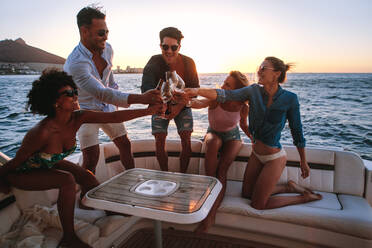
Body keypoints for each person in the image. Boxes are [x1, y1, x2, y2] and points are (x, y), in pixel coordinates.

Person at [0, 69, 162, 248]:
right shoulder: (41, 132)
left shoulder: (78, 118)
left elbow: (114, 116)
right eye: (69, 93)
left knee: (88, 177)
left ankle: (110, 211)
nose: (75, 95)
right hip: (24, 172)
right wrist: (3, 180)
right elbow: (17, 162)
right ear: (55, 102)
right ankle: (69, 237)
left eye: (75, 91)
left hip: (47, 161)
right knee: (67, 180)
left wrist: (148, 112)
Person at [185, 57, 322, 212]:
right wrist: (196, 91)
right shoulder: (253, 91)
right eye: (259, 67)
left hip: (274, 158)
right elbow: (226, 95)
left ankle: (303, 197)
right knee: (247, 194)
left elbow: (297, 131)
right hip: (256, 155)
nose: (259, 71)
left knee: (258, 204)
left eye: (263, 68)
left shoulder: (290, 99)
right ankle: (288, 187)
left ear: (276, 74)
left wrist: (303, 161)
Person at [64, 6, 161, 174]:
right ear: (84, 31)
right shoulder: (76, 63)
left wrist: (117, 102)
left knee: (125, 144)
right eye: (101, 33)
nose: (106, 37)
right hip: (86, 111)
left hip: (108, 106)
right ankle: (85, 194)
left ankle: (132, 179)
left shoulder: (108, 49)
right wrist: (143, 98)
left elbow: (110, 83)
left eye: (107, 32)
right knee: (91, 157)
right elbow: (102, 93)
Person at [189, 71, 250, 232]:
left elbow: (243, 125)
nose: (222, 87)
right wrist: (186, 100)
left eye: (227, 85)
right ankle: (204, 206)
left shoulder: (243, 107)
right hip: (213, 133)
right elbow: (198, 104)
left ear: (237, 91)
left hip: (233, 136)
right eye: (224, 82)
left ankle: (211, 215)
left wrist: (254, 138)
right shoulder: (215, 99)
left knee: (222, 169)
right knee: (211, 168)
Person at [141, 27, 199, 172]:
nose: (169, 51)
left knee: (186, 140)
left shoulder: (189, 62)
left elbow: (195, 90)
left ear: (179, 46)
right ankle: (164, 174)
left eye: (174, 47)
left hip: (182, 105)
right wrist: (163, 105)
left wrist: (178, 107)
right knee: (159, 140)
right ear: (160, 45)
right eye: (165, 47)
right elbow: (145, 89)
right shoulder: (154, 62)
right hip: (160, 104)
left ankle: (183, 174)